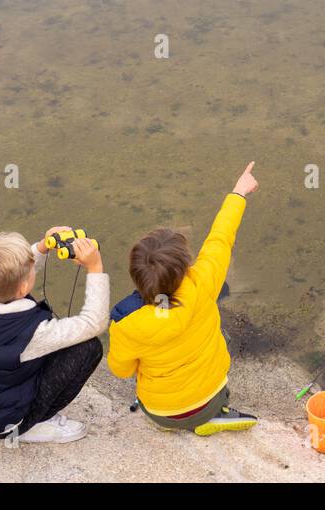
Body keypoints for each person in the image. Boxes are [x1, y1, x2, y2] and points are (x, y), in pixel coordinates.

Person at [107, 162, 260, 435]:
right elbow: (220, 239)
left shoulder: (125, 323)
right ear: (185, 266)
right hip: (210, 399)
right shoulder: (203, 282)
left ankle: (186, 419)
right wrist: (238, 193)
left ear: (136, 276)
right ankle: (216, 414)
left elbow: (121, 370)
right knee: (212, 354)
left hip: (160, 413)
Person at [0, 226, 108, 443]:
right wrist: (95, 267)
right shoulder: (33, 334)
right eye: (32, 270)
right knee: (88, 348)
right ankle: (29, 426)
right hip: (3, 421)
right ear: (22, 289)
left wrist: (41, 247)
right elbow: (94, 323)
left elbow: (10, 280)